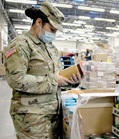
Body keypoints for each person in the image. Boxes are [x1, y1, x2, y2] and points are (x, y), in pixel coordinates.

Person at [4, 1, 82, 139]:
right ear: (39, 22)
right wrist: (53, 80)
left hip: (53, 114)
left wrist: (71, 80)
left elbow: (57, 77)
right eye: (52, 29)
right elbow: (16, 79)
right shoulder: (21, 44)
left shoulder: (51, 48)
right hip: (32, 117)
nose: (54, 34)